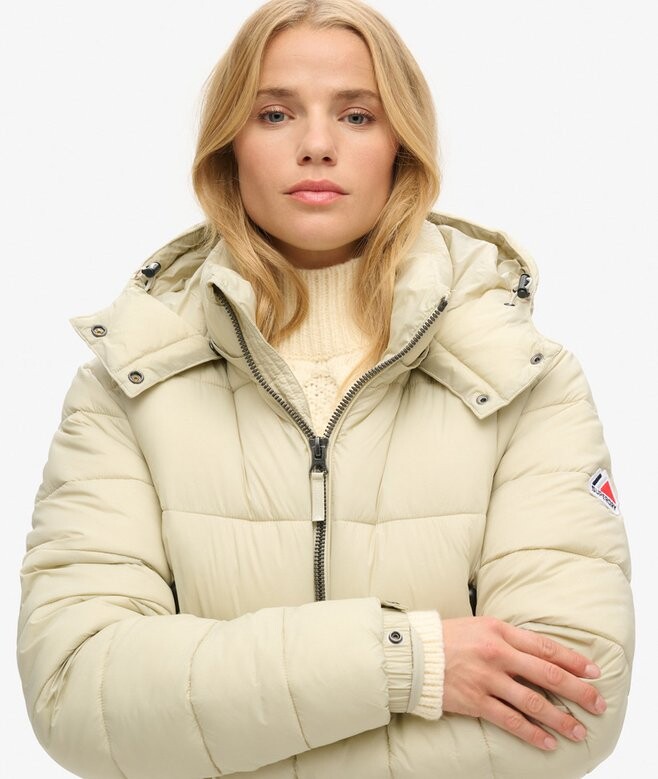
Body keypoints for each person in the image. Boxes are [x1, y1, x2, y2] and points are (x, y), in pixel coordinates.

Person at [16, 0, 634, 777]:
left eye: (357, 115)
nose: (316, 145)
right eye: (275, 113)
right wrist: (410, 662)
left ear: (401, 146)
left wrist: (218, 731)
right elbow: (78, 691)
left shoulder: (521, 380)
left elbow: (570, 703)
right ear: (229, 147)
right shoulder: (129, 385)